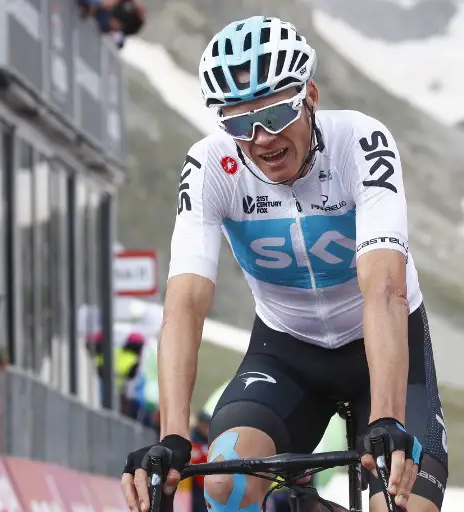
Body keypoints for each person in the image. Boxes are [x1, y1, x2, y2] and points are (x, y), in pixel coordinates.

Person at [120, 14, 447, 512]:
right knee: (226, 489)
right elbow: (184, 304)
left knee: (399, 505)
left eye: (274, 114)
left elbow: (383, 289)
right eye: (237, 123)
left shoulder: (360, 142)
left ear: (309, 96)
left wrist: (386, 419)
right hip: (286, 352)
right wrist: (171, 437)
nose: (261, 138)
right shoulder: (212, 167)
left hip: (381, 347)